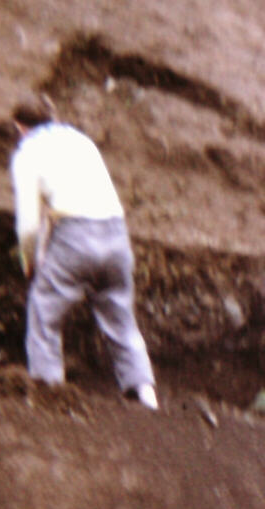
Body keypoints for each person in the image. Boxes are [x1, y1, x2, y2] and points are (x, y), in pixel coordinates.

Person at [11, 95, 159, 408]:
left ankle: (48, 395)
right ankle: (145, 394)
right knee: (120, 317)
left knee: (43, 312)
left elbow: (28, 223)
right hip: (116, 234)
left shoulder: (27, 153)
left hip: (75, 237)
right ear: (52, 118)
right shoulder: (82, 141)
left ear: (20, 127)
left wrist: (30, 261)